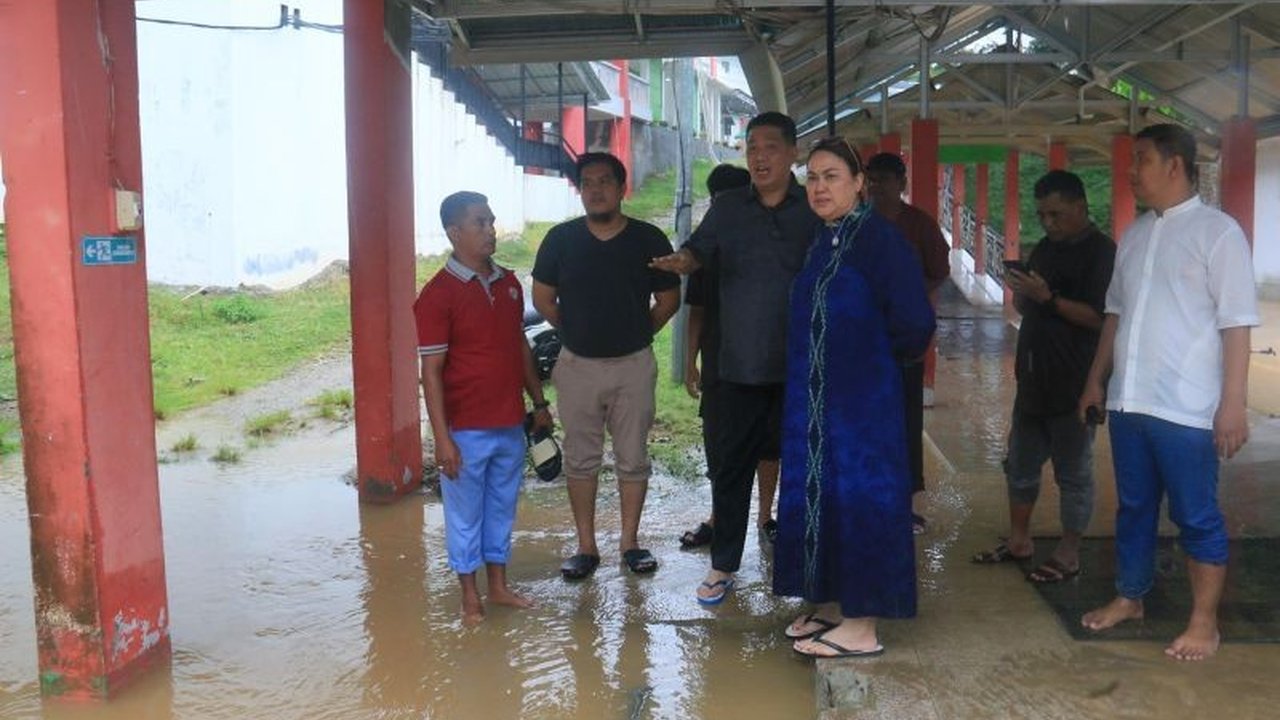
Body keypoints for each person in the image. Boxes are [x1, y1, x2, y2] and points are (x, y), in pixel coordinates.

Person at [1078, 124, 1257, 661]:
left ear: (1174, 165)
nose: (1131, 171)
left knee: (1196, 515)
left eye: (1142, 160)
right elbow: (1115, 315)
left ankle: (1204, 623)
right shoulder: (1134, 235)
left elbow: (1237, 325)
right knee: (1133, 507)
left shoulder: (1218, 233)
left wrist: (1233, 403)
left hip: (1188, 408)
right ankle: (1129, 596)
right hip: (1129, 402)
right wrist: (1095, 380)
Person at [774, 136, 935, 658]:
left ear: (859, 183)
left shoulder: (880, 242)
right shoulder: (824, 238)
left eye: (832, 177)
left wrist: (871, 366)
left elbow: (914, 323)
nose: (819, 187)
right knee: (823, 497)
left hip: (862, 408)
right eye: (812, 178)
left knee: (862, 500)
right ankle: (830, 602)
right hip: (816, 405)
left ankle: (862, 625)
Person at [650, 112, 820, 605]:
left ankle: (805, 568)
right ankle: (723, 565)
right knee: (729, 471)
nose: (759, 156)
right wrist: (681, 261)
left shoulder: (812, 209)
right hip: (736, 366)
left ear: (793, 153)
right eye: (752, 148)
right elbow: (697, 251)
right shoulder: (728, 207)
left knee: (804, 470)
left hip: (800, 369)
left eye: (770, 147)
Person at [531, 152, 681, 581]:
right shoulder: (560, 240)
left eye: (604, 181)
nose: (595, 190)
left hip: (633, 365)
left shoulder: (648, 238)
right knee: (581, 459)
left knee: (633, 457)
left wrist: (637, 332)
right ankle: (586, 547)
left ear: (621, 188)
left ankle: (630, 543)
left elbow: (668, 300)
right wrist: (577, 331)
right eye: (587, 183)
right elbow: (543, 299)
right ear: (580, 191)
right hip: (577, 366)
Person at [415, 191, 553, 626]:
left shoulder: (509, 283)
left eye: (491, 221)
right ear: (454, 232)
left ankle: (498, 587)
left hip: (509, 422)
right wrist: (442, 439)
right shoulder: (437, 295)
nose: (490, 230)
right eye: (480, 223)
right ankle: (469, 597)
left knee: (501, 508)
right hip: (464, 429)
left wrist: (539, 403)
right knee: (463, 515)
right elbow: (431, 372)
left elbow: (520, 347)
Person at [971, 170, 1115, 584]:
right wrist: (1022, 293)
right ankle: (1019, 540)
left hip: (1076, 383)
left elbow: (1101, 318)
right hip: (1034, 379)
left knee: (1073, 473)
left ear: (1081, 207)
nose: (1049, 223)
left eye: (1057, 214)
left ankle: (1069, 553)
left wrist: (1047, 299)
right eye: (1042, 216)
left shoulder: (1102, 253)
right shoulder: (1045, 249)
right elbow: (1027, 308)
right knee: (1019, 464)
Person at [679, 164, 782, 549]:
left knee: (769, 443)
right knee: (721, 445)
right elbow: (697, 310)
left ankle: (766, 517)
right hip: (721, 364)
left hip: (772, 362)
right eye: (717, 202)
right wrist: (690, 361)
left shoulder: (776, 242)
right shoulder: (706, 251)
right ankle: (718, 516)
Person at [865, 152, 951, 534]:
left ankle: (905, 504)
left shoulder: (919, 225)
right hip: (861, 342)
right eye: (872, 179)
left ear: (902, 183)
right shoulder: (854, 223)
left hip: (905, 343)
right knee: (865, 423)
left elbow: (939, 271)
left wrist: (908, 297)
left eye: (885, 179)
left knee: (904, 422)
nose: (877, 187)